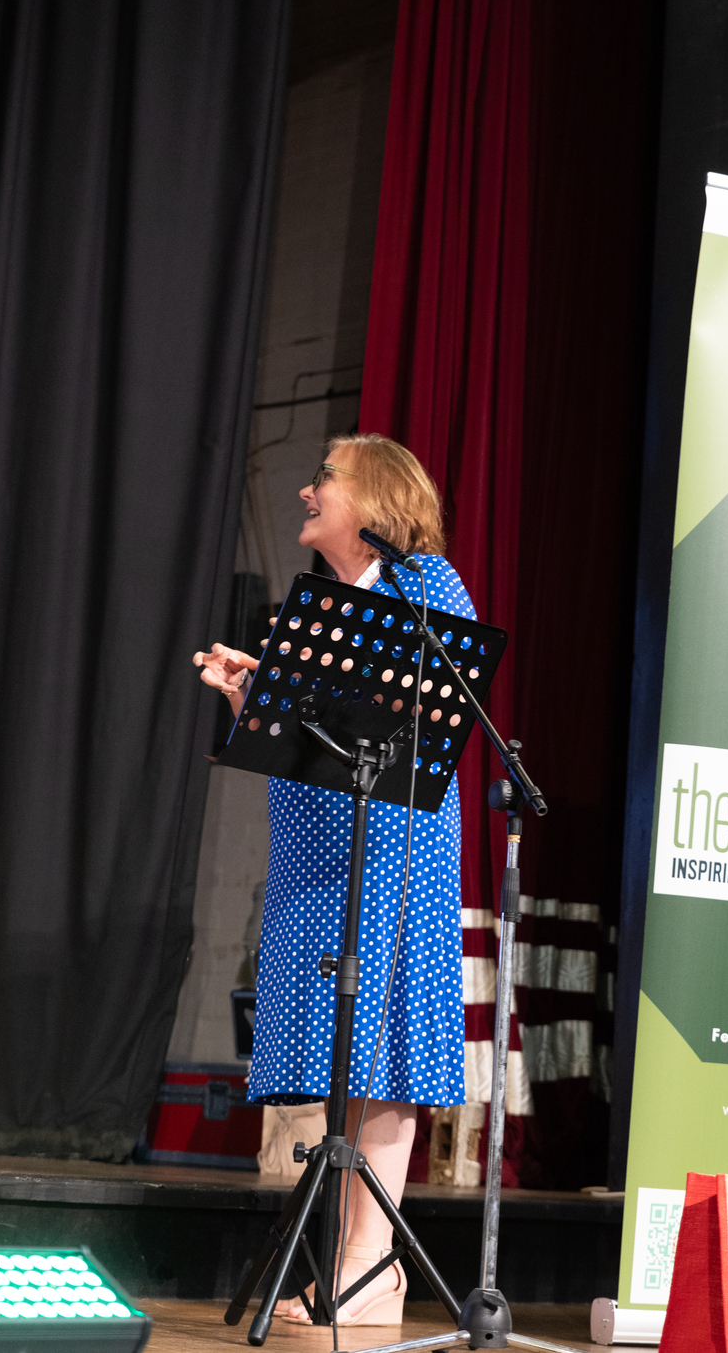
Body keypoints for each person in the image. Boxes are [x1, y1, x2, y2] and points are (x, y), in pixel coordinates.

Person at [194, 433, 474, 1326]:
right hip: (318, 853)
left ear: (376, 498)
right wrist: (253, 697)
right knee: (342, 1042)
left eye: (325, 478)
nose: (307, 491)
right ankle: (350, 1256)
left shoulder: (426, 588)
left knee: (383, 1038)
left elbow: (423, 719)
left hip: (392, 847)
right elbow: (309, 740)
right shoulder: (319, 607)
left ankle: (371, 1263)